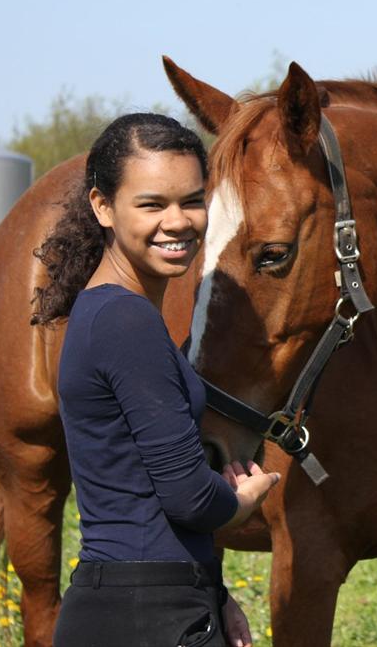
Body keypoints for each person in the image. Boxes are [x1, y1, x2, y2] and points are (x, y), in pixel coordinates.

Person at [31, 113, 279, 647]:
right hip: (148, 616)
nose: (178, 221)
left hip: (145, 602)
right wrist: (242, 502)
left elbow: (136, 492)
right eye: (151, 204)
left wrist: (212, 592)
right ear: (103, 206)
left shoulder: (107, 313)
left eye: (191, 200)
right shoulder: (127, 321)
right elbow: (188, 497)